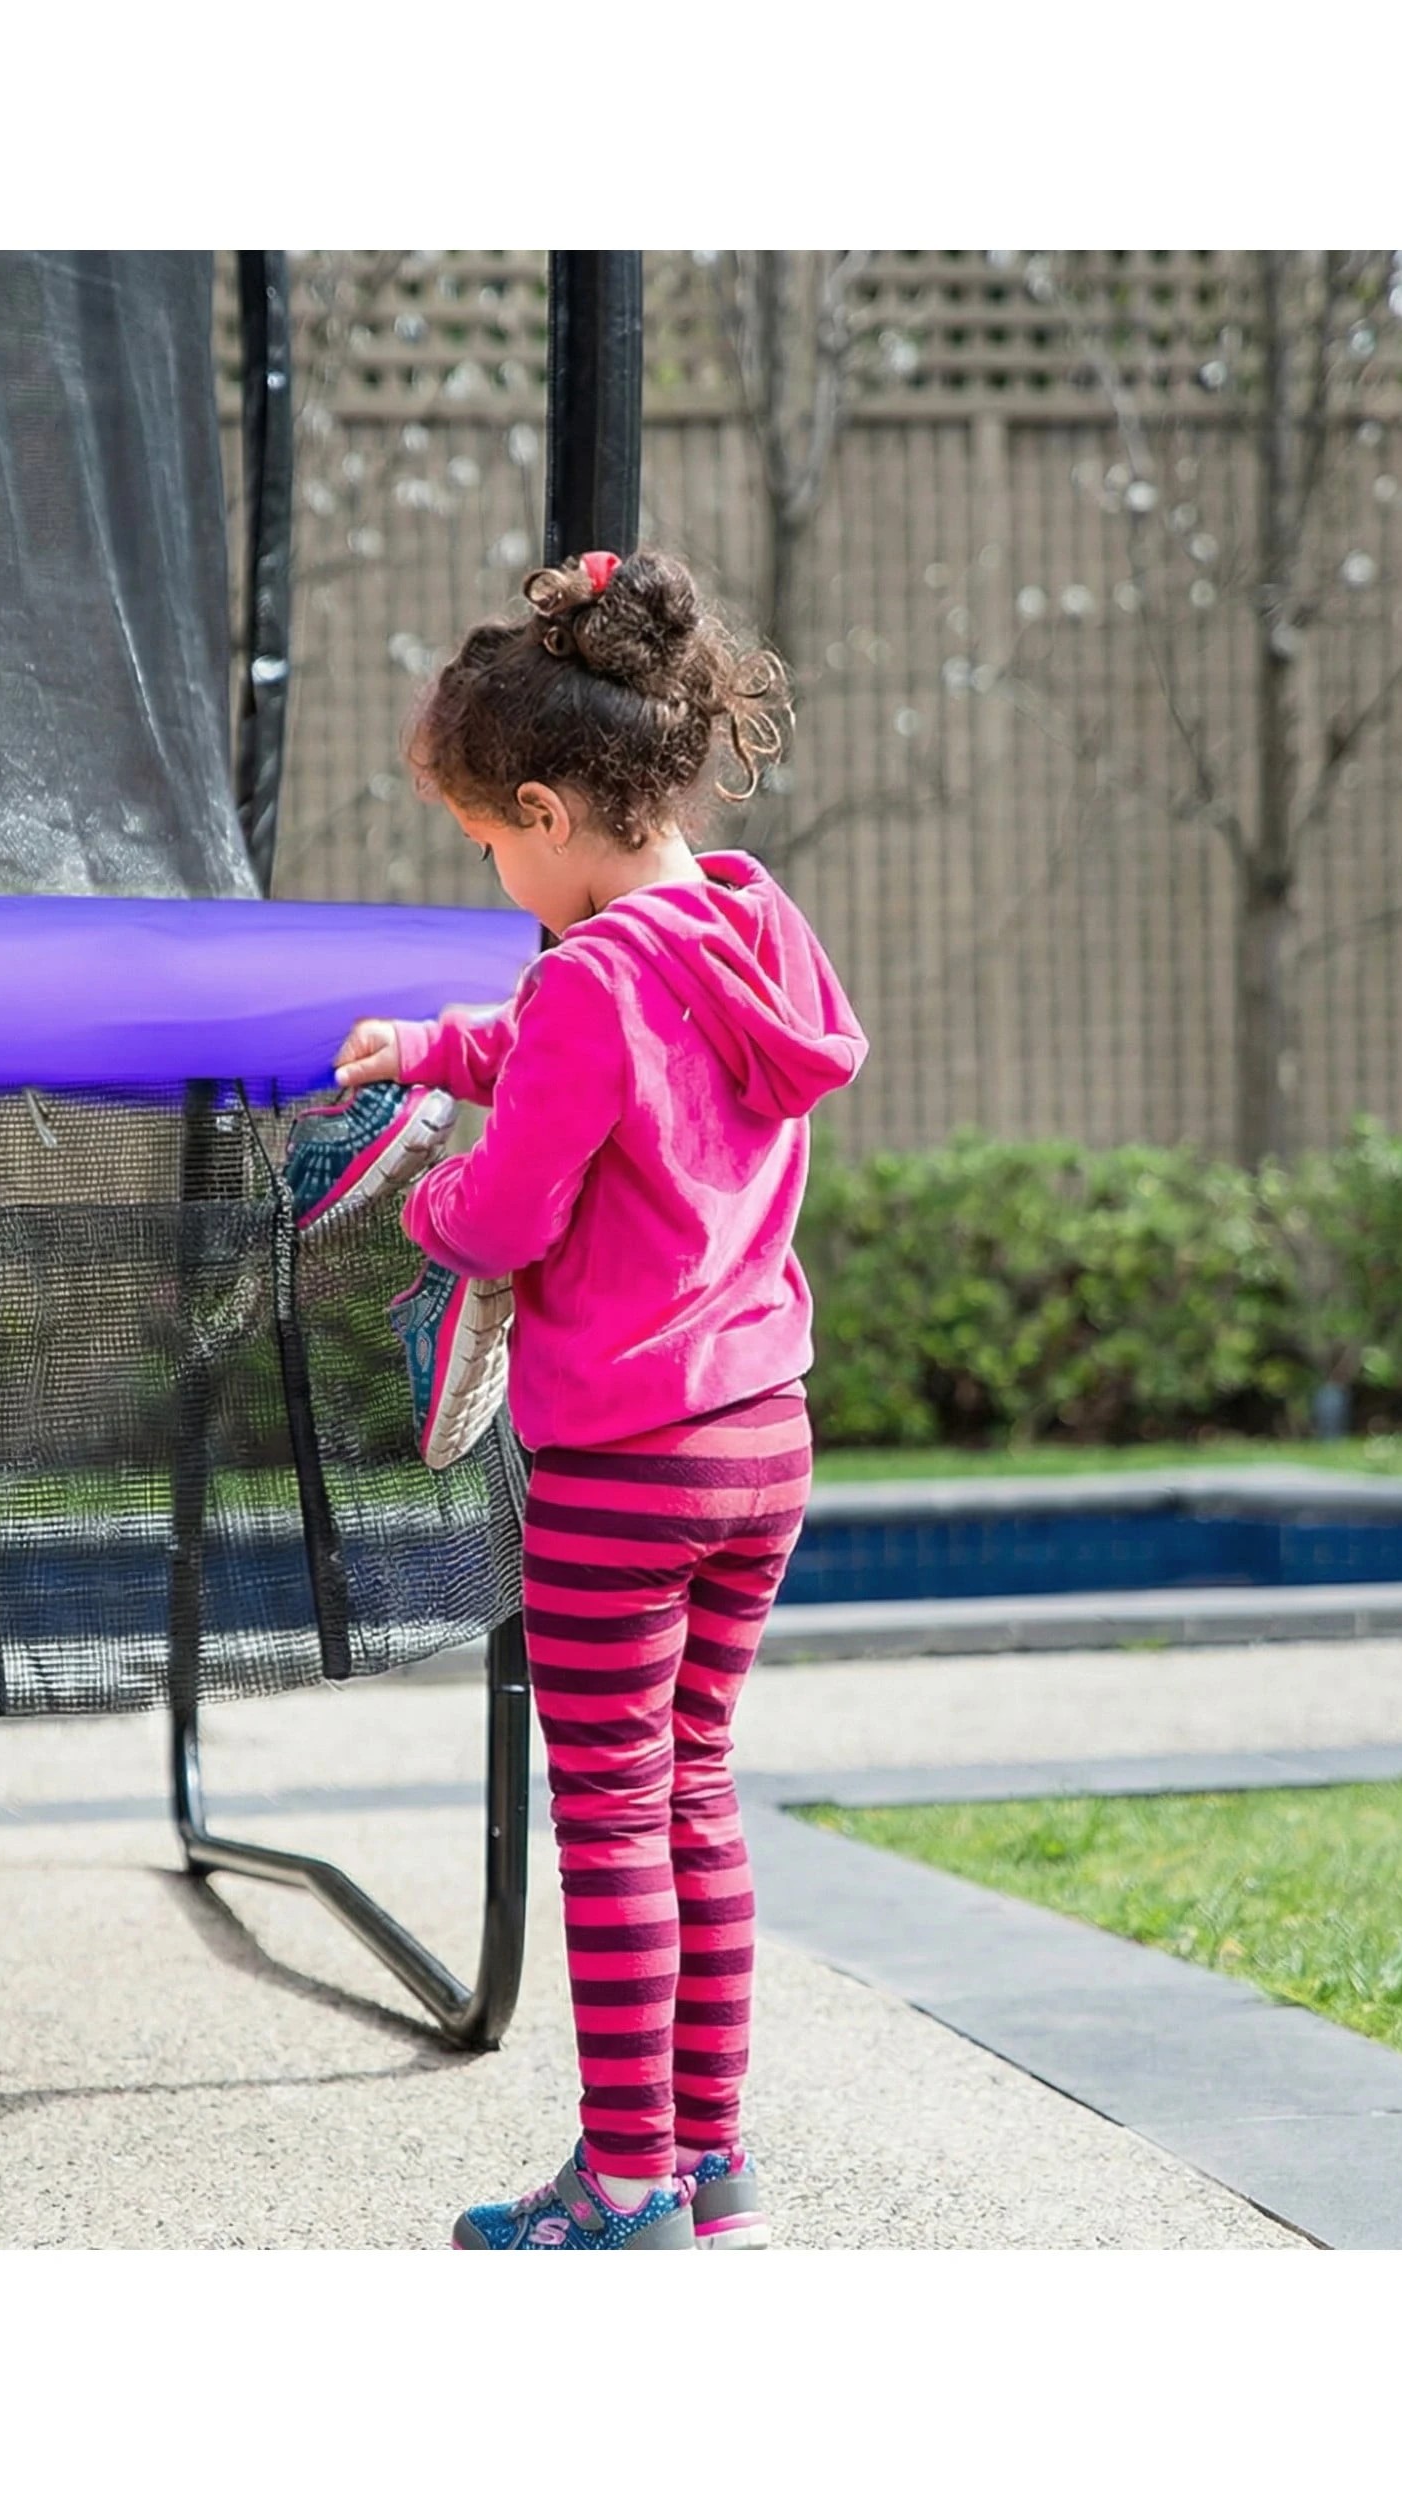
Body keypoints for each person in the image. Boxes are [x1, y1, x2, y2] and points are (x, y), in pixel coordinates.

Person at [333, 547, 865, 2248]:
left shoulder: (586, 979)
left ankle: (619, 2175)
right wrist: (440, 1045)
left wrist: (417, 1200)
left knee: (611, 1817)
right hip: (761, 1438)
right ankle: (711, 2166)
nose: (495, 876)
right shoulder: (746, 928)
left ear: (551, 809)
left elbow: (507, 1211)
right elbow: (610, 1037)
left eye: (492, 847)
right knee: (695, 1788)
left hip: (624, 1464)